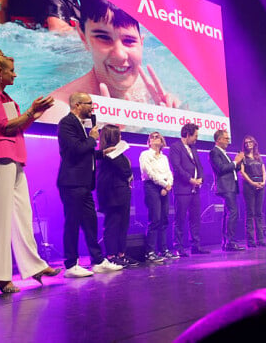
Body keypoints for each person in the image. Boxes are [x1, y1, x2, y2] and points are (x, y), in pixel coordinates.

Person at [0, 49, 60, 294]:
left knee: (22, 214)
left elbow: (16, 126)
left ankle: (34, 265)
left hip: (14, 156)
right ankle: (0, 276)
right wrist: (30, 112)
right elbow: (3, 125)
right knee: (0, 217)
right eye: (12, 70)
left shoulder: (5, 97)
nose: (15, 74)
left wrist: (33, 114)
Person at [41, 0, 180, 122]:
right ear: (83, 38)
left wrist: (173, 118)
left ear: (141, 42)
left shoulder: (150, 91)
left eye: (129, 40)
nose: (120, 55)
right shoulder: (59, 112)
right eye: (103, 38)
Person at [57, 92, 123, 277]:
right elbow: (74, 150)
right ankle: (70, 265)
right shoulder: (67, 123)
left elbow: (85, 154)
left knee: (90, 223)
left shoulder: (79, 124)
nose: (92, 107)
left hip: (84, 183)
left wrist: (101, 153)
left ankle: (98, 261)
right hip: (72, 182)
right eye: (89, 103)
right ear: (77, 105)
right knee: (72, 222)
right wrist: (92, 139)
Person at [96, 124, 139, 267]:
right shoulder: (108, 152)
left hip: (122, 192)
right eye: (118, 134)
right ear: (112, 137)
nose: (121, 137)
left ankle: (122, 253)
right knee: (113, 224)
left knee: (123, 224)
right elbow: (125, 169)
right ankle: (111, 255)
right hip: (112, 193)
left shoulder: (118, 153)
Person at [169, 123, 209, 256]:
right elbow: (177, 167)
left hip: (195, 190)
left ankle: (195, 246)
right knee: (180, 219)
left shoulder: (194, 148)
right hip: (182, 189)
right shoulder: (176, 147)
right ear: (187, 134)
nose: (196, 139)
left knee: (195, 219)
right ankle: (179, 248)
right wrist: (190, 179)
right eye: (195, 136)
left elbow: (199, 166)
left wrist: (201, 179)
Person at [139, 132, 177, 262]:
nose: (155, 138)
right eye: (152, 137)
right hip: (152, 186)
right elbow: (149, 173)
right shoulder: (145, 155)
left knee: (164, 219)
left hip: (165, 187)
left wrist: (168, 185)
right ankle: (150, 251)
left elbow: (169, 173)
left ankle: (164, 249)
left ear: (162, 141)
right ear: (149, 141)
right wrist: (165, 184)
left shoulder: (164, 158)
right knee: (155, 219)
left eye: (158, 137)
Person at [209, 130, 245, 251]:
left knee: (228, 213)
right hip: (225, 186)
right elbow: (222, 168)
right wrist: (236, 161)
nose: (228, 141)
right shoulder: (214, 152)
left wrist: (238, 161)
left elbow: (233, 168)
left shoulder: (224, 153)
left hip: (231, 186)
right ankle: (230, 241)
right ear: (218, 140)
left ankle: (227, 241)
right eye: (226, 139)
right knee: (233, 212)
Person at [240, 135, 266, 248]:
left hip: (260, 185)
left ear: (254, 143)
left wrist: (264, 182)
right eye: (246, 143)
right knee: (250, 213)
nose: (248, 144)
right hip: (249, 186)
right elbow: (242, 172)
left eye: (250, 142)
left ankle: (261, 240)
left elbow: (264, 171)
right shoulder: (243, 157)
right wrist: (252, 183)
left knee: (259, 213)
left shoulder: (258, 157)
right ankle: (251, 241)